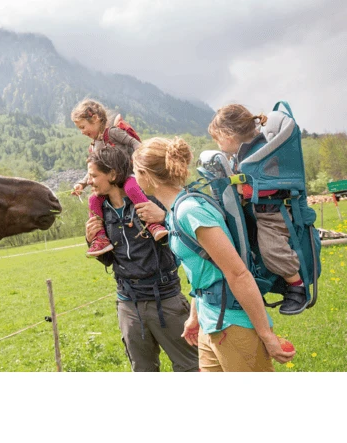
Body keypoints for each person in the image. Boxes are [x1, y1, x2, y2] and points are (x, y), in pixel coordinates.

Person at [132, 136, 296, 372]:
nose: (134, 178)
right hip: (210, 323)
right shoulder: (175, 211)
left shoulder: (191, 212)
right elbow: (205, 269)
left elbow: (238, 273)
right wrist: (194, 316)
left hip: (234, 324)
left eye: (135, 171)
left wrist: (266, 335)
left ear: (146, 174)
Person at [84, 146, 198, 372]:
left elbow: (183, 241)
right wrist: (91, 240)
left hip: (165, 299)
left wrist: (164, 219)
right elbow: (108, 260)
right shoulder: (100, 210)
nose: (89, 181)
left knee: (190, 367)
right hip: (128, 303)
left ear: (112, 174)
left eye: (94, 175)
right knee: (142, 370)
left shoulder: (149, 199)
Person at [208, 104, 307, 315]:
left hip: (273, 214)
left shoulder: (262, 152)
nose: (218, 144)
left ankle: (297, 287)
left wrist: (241, 186)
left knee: (272, 251)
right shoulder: (243, 155)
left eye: (218, 139)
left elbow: (272, 183)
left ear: (228, 135)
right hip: (257, 211)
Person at [71, 98, 167, 258]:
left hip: (127, 174)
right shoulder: (94, 146)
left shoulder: (113, 133)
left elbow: (134, 143)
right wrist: (82, 184)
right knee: (93, 199)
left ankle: (152, 224)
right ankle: (100, 237)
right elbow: (94, 169)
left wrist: (141, 159)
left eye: (83, 126)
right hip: (110, 180)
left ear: (95, 119)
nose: (82, 131)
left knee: (131, 188)